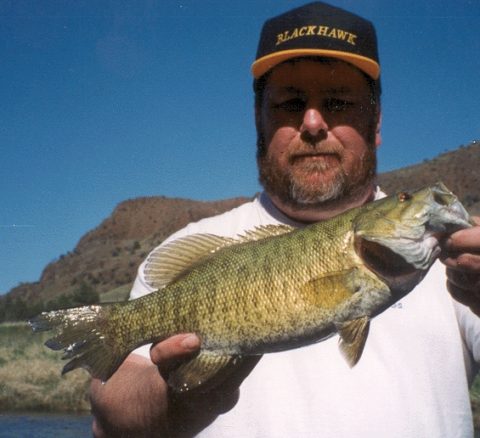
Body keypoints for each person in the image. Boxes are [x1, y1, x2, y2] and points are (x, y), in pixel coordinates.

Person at [90, 2, 480, 437]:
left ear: (376, 124)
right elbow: (108, 422)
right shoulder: (195, 244)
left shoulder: (460, 264)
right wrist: (174, 401)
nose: (313, 123)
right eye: (291, 104)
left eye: (338, 102)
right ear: (259, 121)